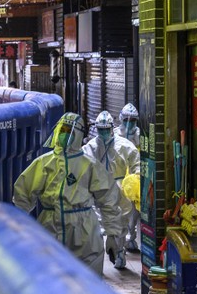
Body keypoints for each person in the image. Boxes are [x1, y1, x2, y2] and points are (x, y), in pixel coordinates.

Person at [13, 113, 124, 276]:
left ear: (78, 135)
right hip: (50, 226)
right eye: (63, 130)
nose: (65, 135)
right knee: (51, 279)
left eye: (69, 131)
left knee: (88, 280)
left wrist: (114, 235)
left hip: (84, 230)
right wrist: (18, 228)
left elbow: (109, 201)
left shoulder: (90, 165)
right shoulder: (44, 163)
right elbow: (22, 195)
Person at [82, 111, 141, 262]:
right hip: (98, 190)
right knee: (99, 221)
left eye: (106, 129)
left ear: (111, 128)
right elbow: (81, 167)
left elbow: (137, 164)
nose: (104, 133)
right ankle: (101, 251)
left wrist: (135, 181)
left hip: (120, 189)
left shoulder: (125, 146)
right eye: (100, 130)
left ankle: (119, 251)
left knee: (122, 221)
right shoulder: (90, 147)